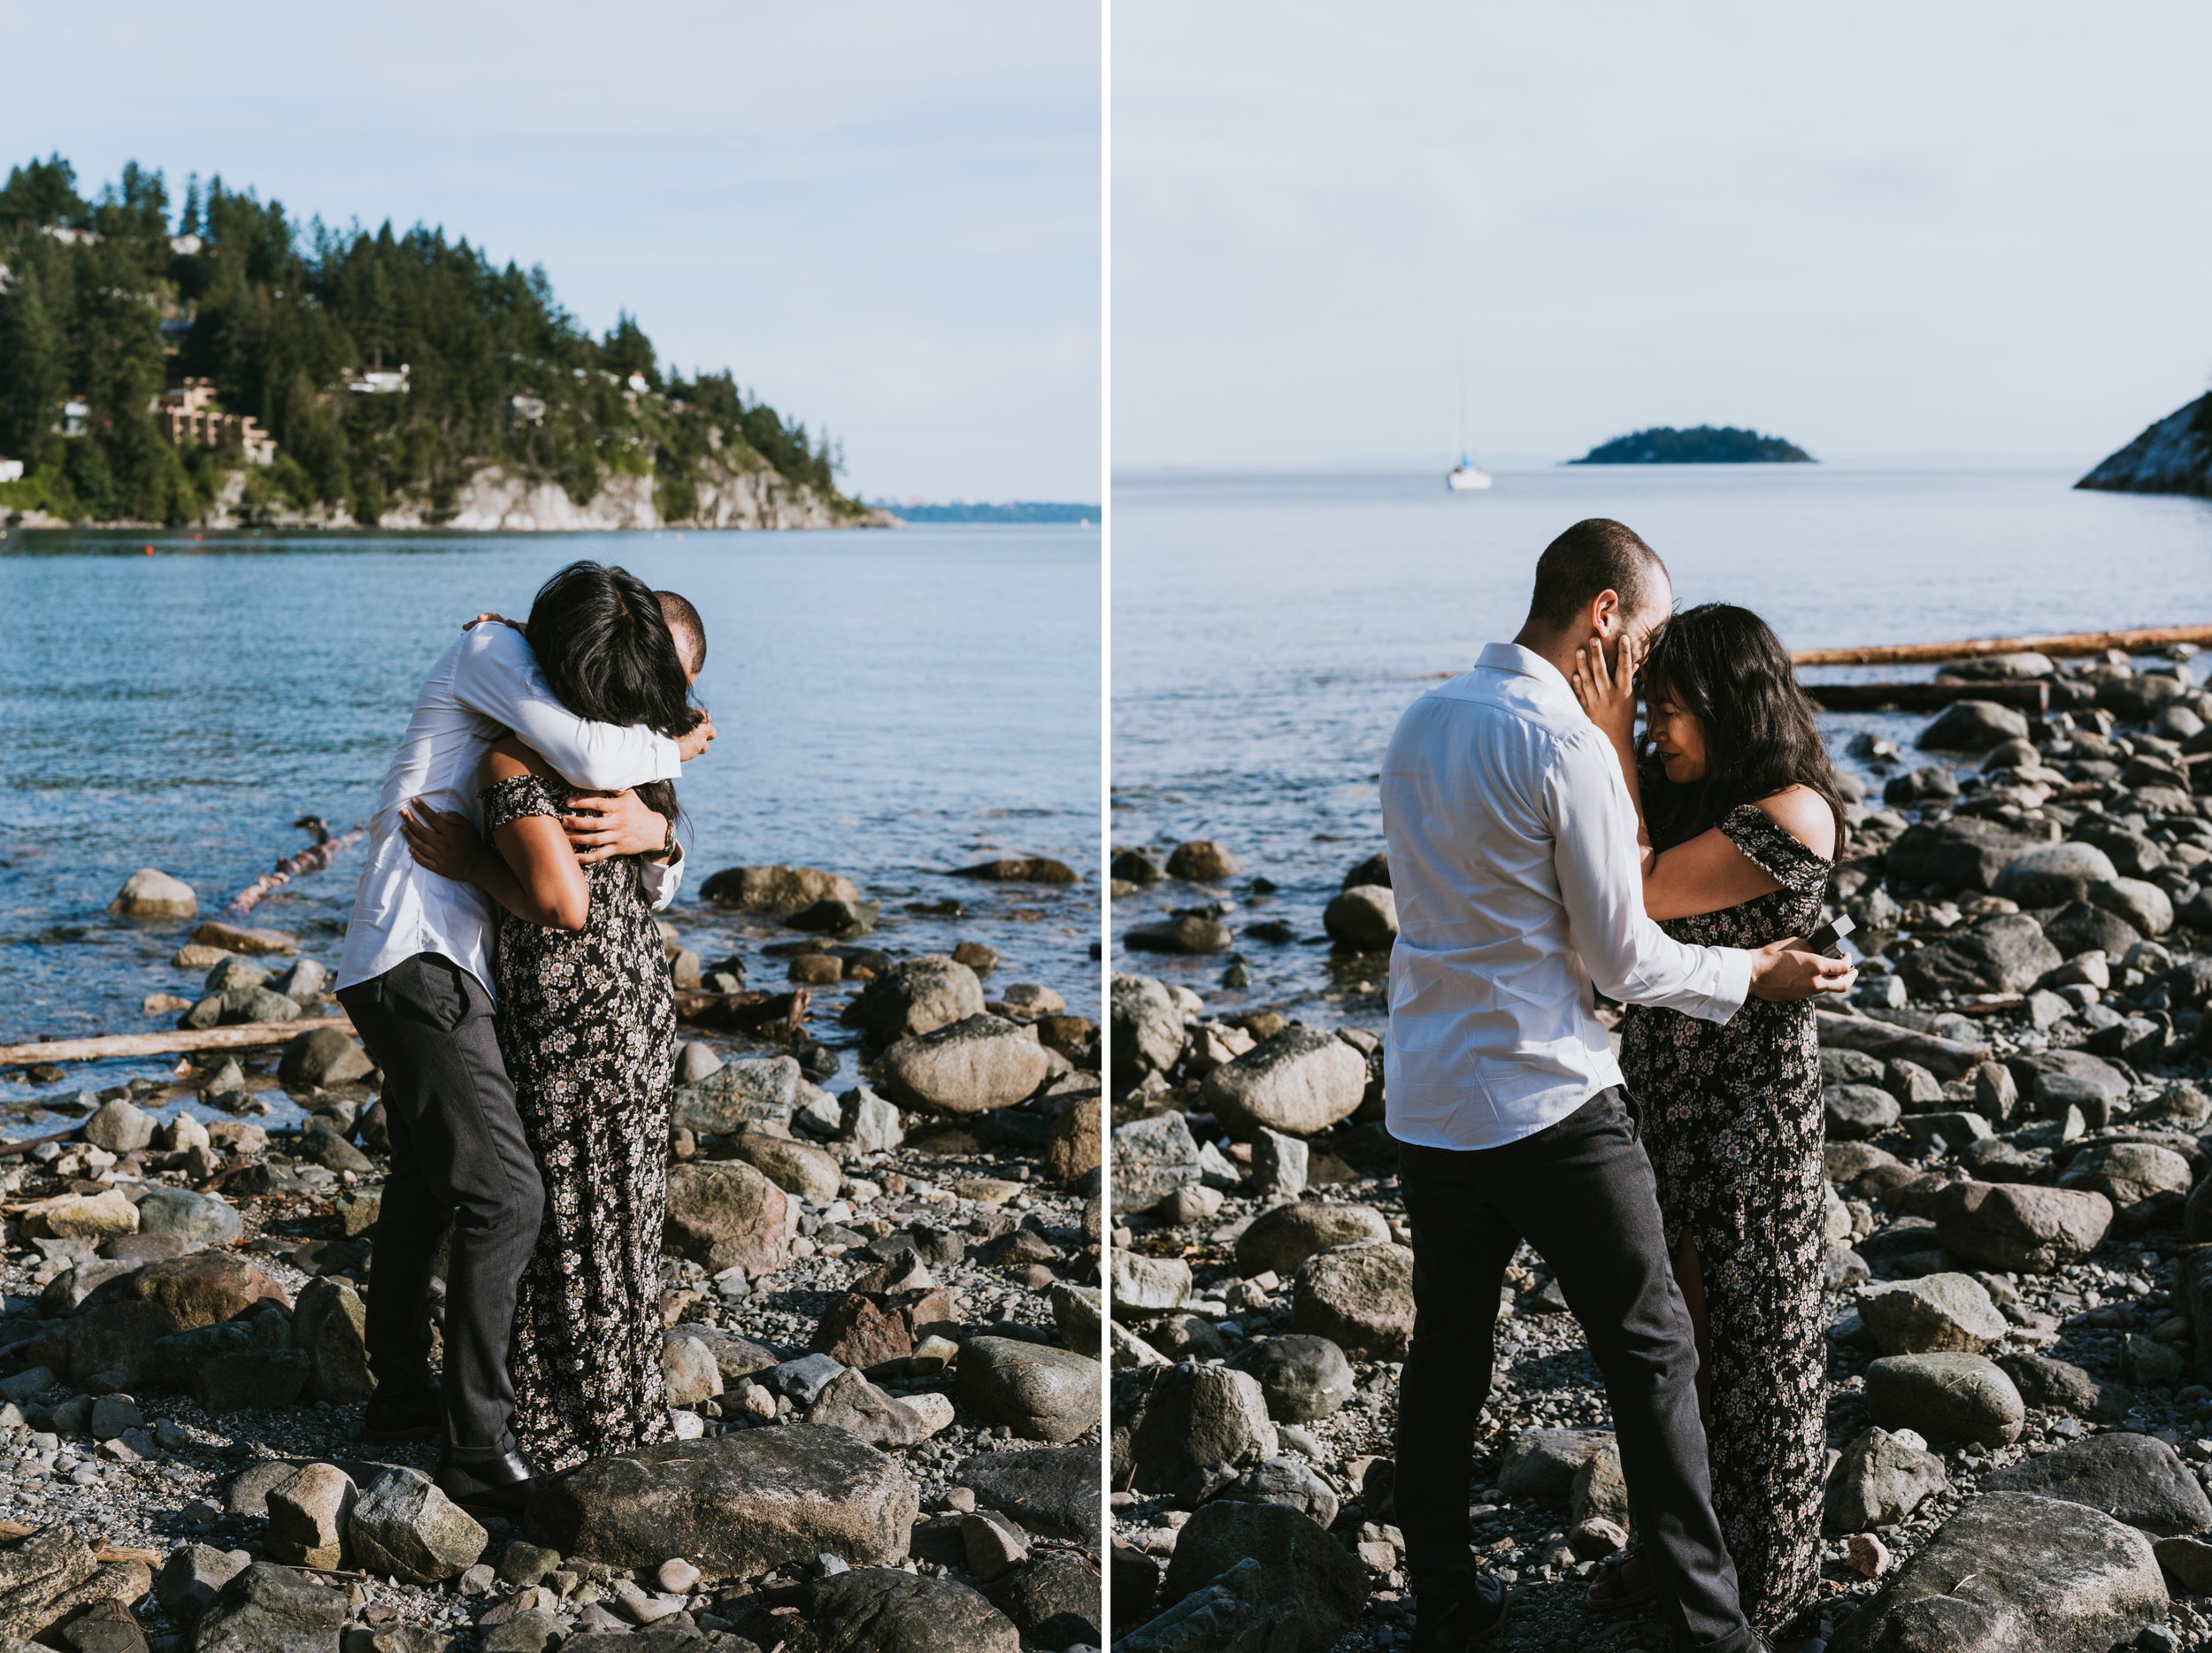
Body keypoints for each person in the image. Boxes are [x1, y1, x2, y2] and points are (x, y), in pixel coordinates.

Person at [1379, 518, 1854, 1653]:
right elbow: (1621, 957)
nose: (1639, 676)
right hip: (1547, 1102)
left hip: (1428, 1097)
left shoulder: (1421, 719)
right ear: (1604, 615)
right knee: (1651, 1351)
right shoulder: (1565, 743)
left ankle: (1443, 1600)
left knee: (1447, 1348)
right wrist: (1754, 970)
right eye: (1640, 643)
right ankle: (1710, 1625)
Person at [334, 567, 712, 1520]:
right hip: (418, 950)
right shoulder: (493, 649)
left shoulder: (536, 686)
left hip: (446, 958)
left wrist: (658, 829)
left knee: (427, 1175)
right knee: (505, 1195)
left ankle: (399, 1393)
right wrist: (681, 748)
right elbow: (586, 758)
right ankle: (476, 1445)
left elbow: (616, 830)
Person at [1568, 603, 1843, 1634]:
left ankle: (1754, 1582)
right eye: (1647, 711)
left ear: (1733, 704)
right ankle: (1673, 1549)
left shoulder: (1793, 813)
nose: (1651, 730)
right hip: (1669, 1105)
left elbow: (1630, 892)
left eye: (1669, 710)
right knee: (1672, 1348)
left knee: (1747, 1349)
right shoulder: (1702, 805)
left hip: (1744, 1122)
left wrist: (1598, 740)